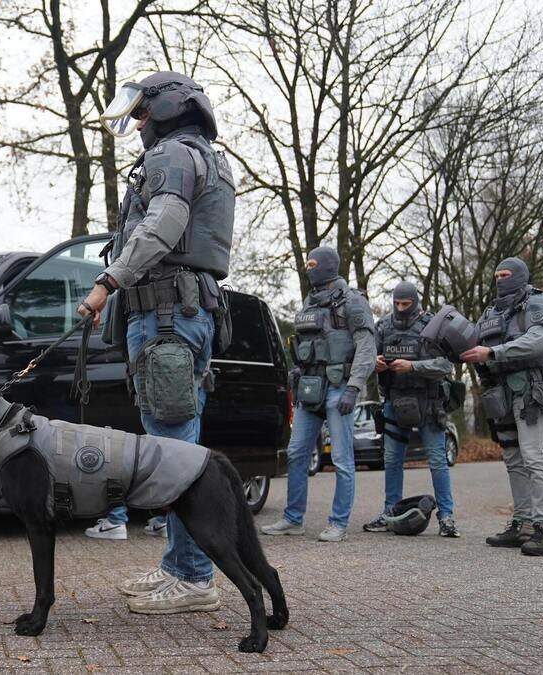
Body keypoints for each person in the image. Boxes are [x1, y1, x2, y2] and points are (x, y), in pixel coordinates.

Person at [79, 71, 234, 613]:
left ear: (168, 107)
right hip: (177, 312)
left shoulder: (172, 155)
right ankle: (179, 566)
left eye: (142, 110)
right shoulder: (201, 156)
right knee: (176, 441)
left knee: (172, 450)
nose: (138, 122)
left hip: (168, 314)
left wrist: (107, 283)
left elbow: (164, 222)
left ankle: (194, 578)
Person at [262, 246, 375, 542]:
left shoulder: (353, 302)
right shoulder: (308, 302)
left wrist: (354, 386)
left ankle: (338, 523)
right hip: (309, 389)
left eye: (313, 263)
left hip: (340, 388)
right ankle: (292, 518)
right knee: (297, 453)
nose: (308, 268)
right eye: (307, 263)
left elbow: (366, 348)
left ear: (327, 266)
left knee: (341, 459)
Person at [460, 257, 543, 556]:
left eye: (505, 274)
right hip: (499, 394)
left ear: (520, 275)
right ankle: (522, 522)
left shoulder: (539, 303)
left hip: (529, 390)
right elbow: (471, 340)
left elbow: (538, 341)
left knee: (533, 457)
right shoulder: (492, 312)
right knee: (513, 460)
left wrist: (493, 352)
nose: (500, 280)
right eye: (496, 275)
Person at [362, 281, 460, 538]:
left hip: (428, 403)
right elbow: (366, 355)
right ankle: (389, 512)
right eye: (397, 304)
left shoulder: (432, 325)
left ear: (415, 302)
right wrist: (376, 363)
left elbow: (445, 365)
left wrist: (413, 367)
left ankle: (447, 517)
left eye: (406, 304)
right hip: (395, 402)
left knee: (438, 461)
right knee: (392, 460)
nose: (401, 308)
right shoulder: (383, 326)